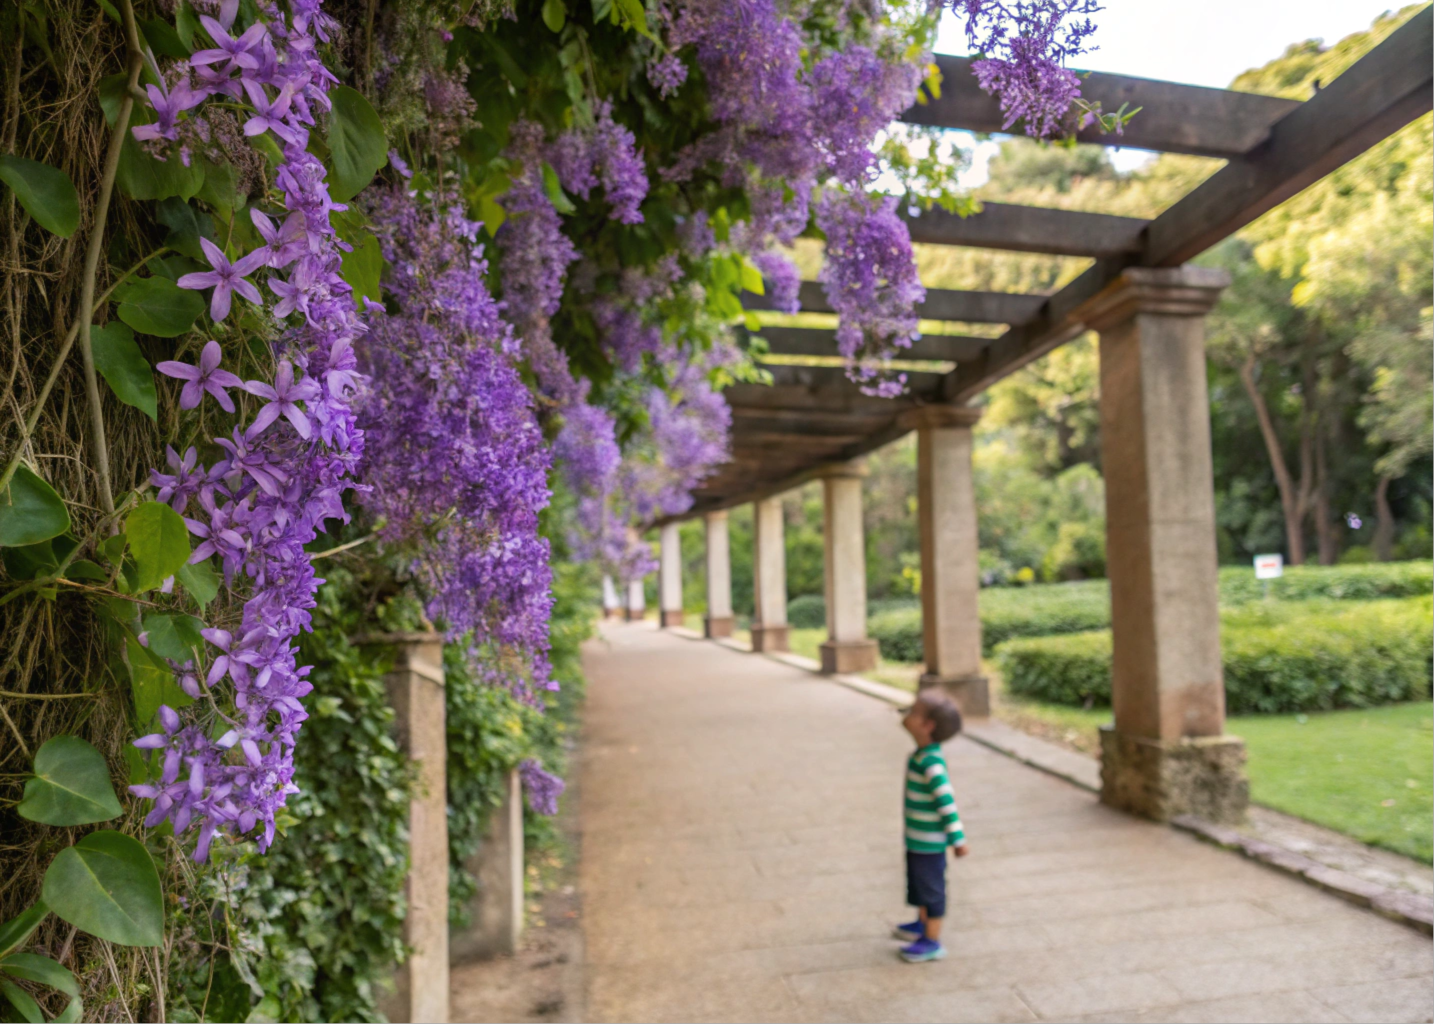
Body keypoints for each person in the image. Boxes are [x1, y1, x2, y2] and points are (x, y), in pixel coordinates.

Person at [892, 689, 969, 963]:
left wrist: (957, 840)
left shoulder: (932, 764)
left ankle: (932, 941)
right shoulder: (921, 755)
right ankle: (921, 924)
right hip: (916, 840)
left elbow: (947, 803)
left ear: (927, 726)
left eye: (914, 711)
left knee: (931, 889)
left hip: (930, 844)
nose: (907, 714)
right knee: (918, 886)